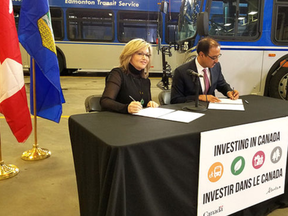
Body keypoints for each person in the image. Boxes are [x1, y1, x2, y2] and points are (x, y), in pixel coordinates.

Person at [170, 37, 239, 104]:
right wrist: (199, 97)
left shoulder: (216, 67)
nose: (217, 61)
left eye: (218, 56)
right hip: (191, 110)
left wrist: (229, 91)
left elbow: (221, 84)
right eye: (214, 57)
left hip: (211, 109)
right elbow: (175, 99)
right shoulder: (182, 72)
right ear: (201, 55)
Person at [100, 38, 159, 114]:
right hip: (118, 120)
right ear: (129, 55)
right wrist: (126, 108)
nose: (145, 58)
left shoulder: (146, 80)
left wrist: (150, 104)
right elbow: (105, 101)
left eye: (147, 55)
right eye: (140, 54)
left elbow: (144, 103)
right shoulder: (117, 74)